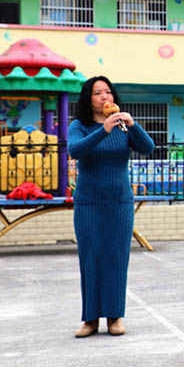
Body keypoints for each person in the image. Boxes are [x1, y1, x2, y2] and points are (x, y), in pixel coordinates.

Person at [68, 76, 154, 338]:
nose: (105, 97)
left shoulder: (122, 127)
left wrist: (133, 124)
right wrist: (103, 129)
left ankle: (115, 317)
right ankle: (90, 319)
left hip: (119, 201)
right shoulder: (79, 126)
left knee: (117, 256)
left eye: (108, 92)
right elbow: (75, 150)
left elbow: (148, 148)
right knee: (91, 257)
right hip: (89, 201)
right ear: (88, 99)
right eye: (98, 93)